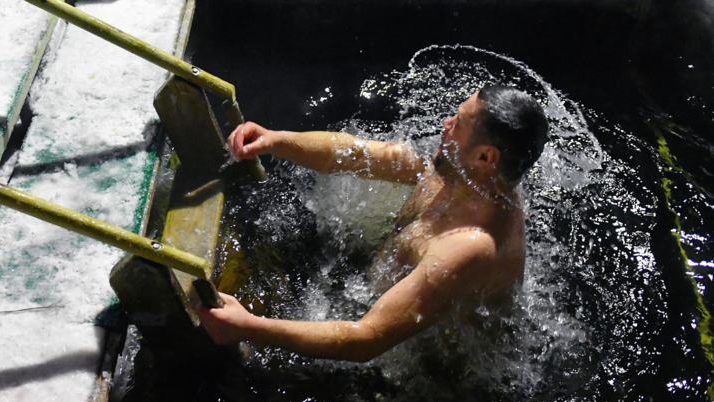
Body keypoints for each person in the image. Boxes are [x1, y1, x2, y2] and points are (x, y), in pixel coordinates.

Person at [196, 85, 549, 363]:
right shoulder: (464, 172)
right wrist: (276, 141)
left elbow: (367, 340)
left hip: (428, 368)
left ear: (486, 156)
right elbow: (355, 154)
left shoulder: (471, 248)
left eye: (458, 122)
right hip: (373, 300)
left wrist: (250, 328)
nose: (446, 125)